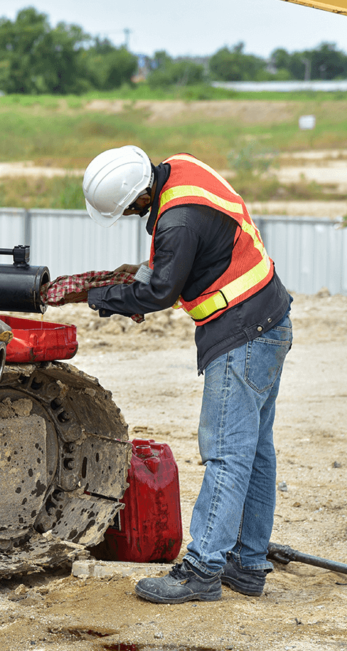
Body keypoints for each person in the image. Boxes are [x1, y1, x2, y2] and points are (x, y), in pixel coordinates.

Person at [78, 146, 293, 603]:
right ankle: (248, 563)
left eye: (129, 209)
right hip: (268, 320)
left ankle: (201, 570)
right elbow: (198, 253)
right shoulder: (182, 169)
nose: (134, 215)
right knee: (254, 453)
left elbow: (159, 291)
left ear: (137, 196)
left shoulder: (174, 222)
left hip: (241, 333)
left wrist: (100, 297)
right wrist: (136, 275)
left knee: (226, 454)